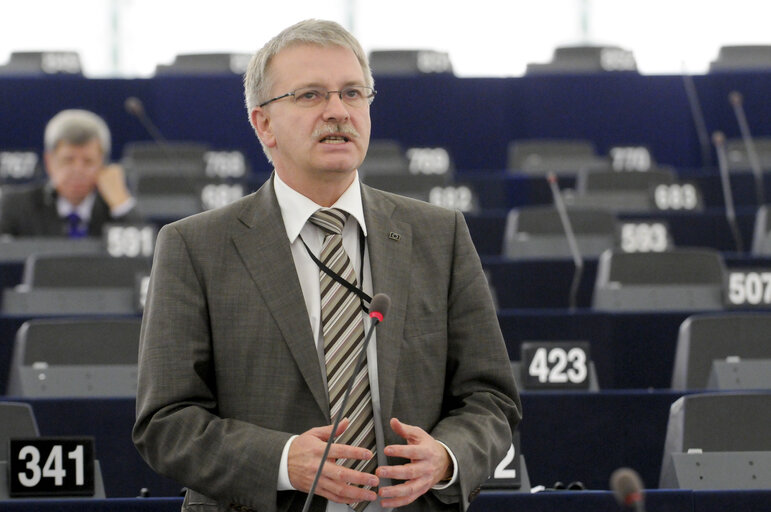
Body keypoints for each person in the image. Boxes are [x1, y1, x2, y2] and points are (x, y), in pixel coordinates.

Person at [133, 19, 520, 512]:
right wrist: (280, 460)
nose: (338, 111)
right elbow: (165, 423)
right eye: (311, 95)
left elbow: (492, 399)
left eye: (353, 93)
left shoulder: (438, 235)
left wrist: (446, 458)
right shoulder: (195, 247)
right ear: (263, 123)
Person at [0, 109, 140, 237]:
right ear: (49, 162)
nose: (78, 170)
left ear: (103, 164)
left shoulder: (114, 209)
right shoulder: (16, 205)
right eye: (68, 160)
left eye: (88, 161)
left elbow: (147, 258)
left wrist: (121, 204)